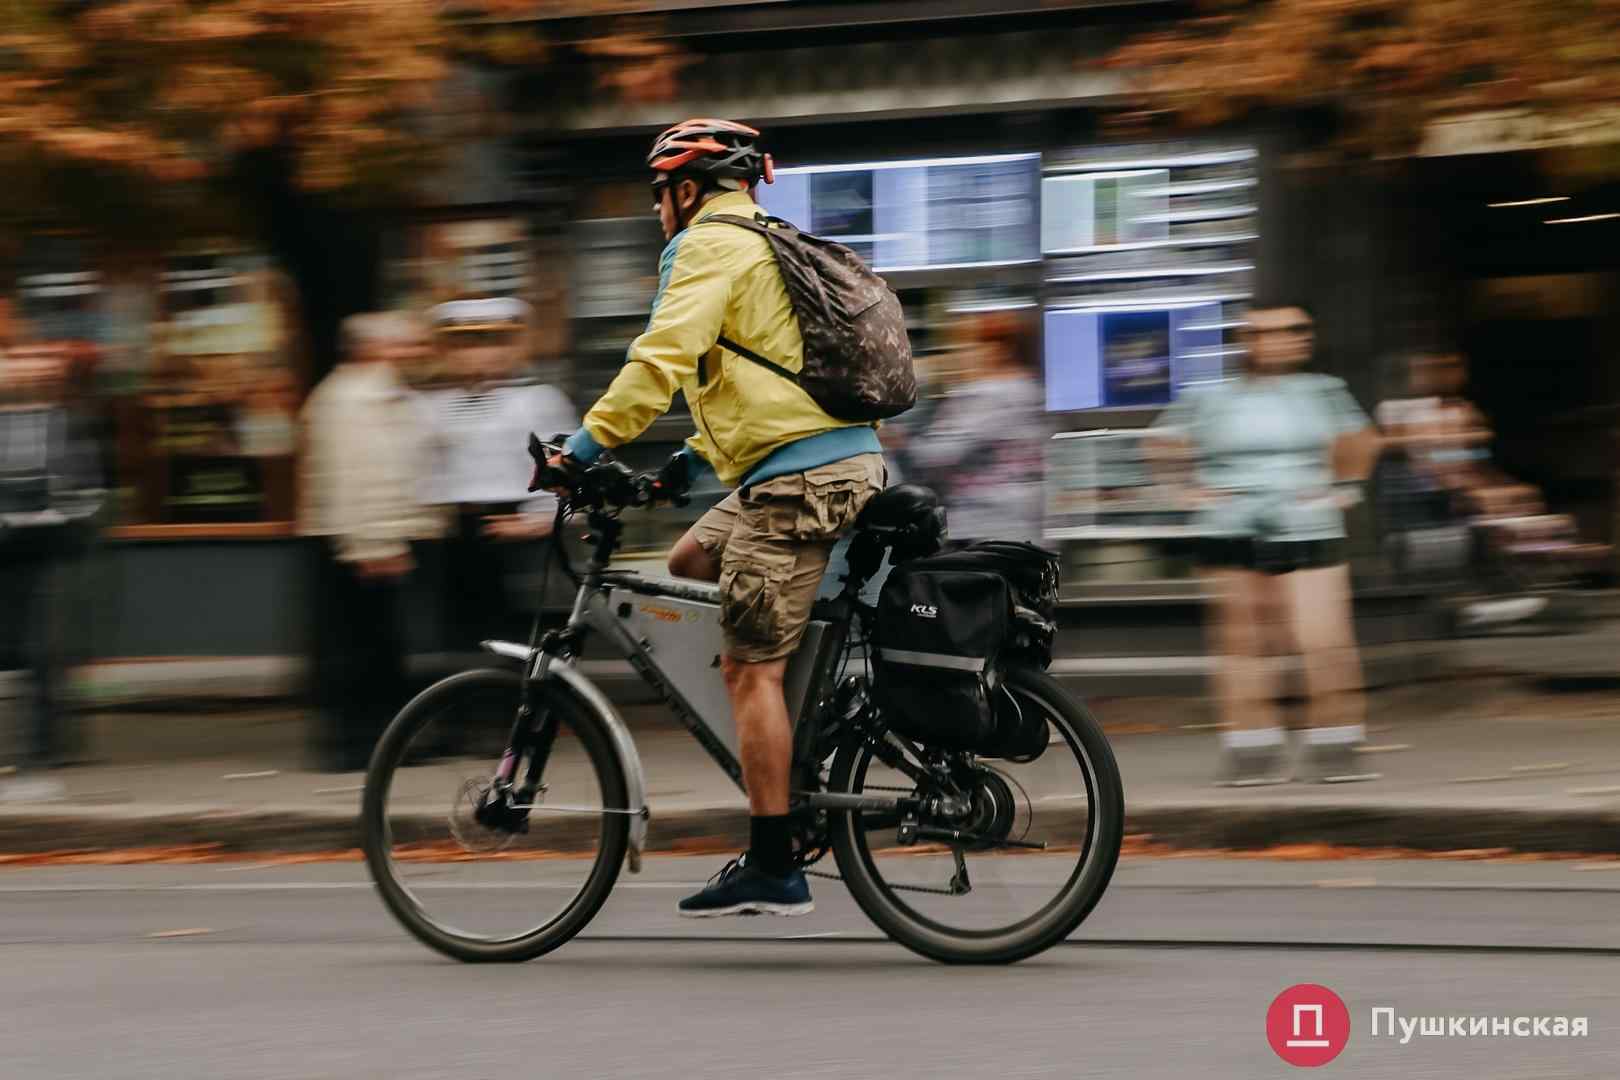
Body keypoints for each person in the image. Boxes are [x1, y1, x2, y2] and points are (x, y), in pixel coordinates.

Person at [550, 119, 887, 917]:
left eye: (658, 194)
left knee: (748, 668)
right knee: (690, 559)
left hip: (801, 480)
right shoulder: (766, 241)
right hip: (815, 460)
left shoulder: (705, 245)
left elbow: (662, 356)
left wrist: (583, 446)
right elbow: (756, 382)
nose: (656, 210)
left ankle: (776, 863)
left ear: (687, 189)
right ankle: (797, 717)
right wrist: (685, 466)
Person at [1150, 306, 1381, 786]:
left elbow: (1363, 440)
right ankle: (1251, 748)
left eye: (1298, 329)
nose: (1288, 339)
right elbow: (1161, 443)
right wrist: (1184, 492)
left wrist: (1346, 489)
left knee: (1323, 636)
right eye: (1272, 331)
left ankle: (1337, 741)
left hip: (1308, 523)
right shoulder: (1211, 397)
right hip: (1231, 522)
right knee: (1244, 643)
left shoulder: (1324, 391)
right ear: (1247, 339)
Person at [299, 313, 443, 772]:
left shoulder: (376, 393)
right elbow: (358, 478)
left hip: (370, 540)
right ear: (373, 348)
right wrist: (373, 546)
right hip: (364, 546)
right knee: (366, 651)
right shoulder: (355, 399)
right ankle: (359, 746)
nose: (415, 351)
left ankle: (376, 743)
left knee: (376, 649)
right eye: (404, 344)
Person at [419, 297, 578, 653]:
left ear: (512, 348)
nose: (478, 355)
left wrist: (538, 521)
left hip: (520, 532)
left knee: (519, 640)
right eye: (465, 344)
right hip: (456, 535)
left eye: (492, 342)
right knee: (460, 639)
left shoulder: (539, 400)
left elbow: (566, 470)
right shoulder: (433, 404)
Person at [0, 342, 103, 799]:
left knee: (42, 654)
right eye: (15, 366)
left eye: (33, 367)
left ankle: (39, 753)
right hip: (4, 550)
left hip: (50, 554)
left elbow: (91, 489)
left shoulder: (68, 425)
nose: (23, 374)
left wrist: (64, 515)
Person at [900, 310, 1048, 542]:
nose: (960, 356)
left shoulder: (988, 395)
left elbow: (935, 454)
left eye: (968, 347)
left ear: (997, 351)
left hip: (983, 525)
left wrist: (902, 442)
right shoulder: (1031, 389)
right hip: (1023, 521)